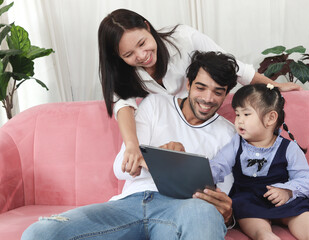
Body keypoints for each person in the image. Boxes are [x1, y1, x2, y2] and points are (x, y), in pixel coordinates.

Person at [21, 51, 240, 240]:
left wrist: (227, 216)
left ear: (226, 93)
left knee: (205, 213)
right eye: (201, 87)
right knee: (40, 233)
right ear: (189, 84)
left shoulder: (229, 133)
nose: (208, 98)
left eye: (218, 92)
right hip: (130, 204)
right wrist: (160, 157)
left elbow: (222, 194)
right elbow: (120, 168)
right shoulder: (156, 104)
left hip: (183, 210)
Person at [97, 8, 302, 177]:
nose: (142, 56)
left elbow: (233, 66)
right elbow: (124, 104)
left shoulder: (183, 38)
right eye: (129, 54)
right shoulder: (127, 78)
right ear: (118, 56)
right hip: (167, 123)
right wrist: (133, 146)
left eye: (142, 43)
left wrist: (272, 86)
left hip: (198, 123)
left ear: (147, 26)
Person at [209, 83, 309, 240]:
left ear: (270, 118)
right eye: (237, 114)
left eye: (246, 114)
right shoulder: (236, 144)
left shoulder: (288, 148)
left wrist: (288, 191)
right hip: (250, 201)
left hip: (284, 199)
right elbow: (218, 166)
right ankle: (267, 236)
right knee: (259, 230)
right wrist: (202, 178)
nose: (239, 121)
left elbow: (307, 179)